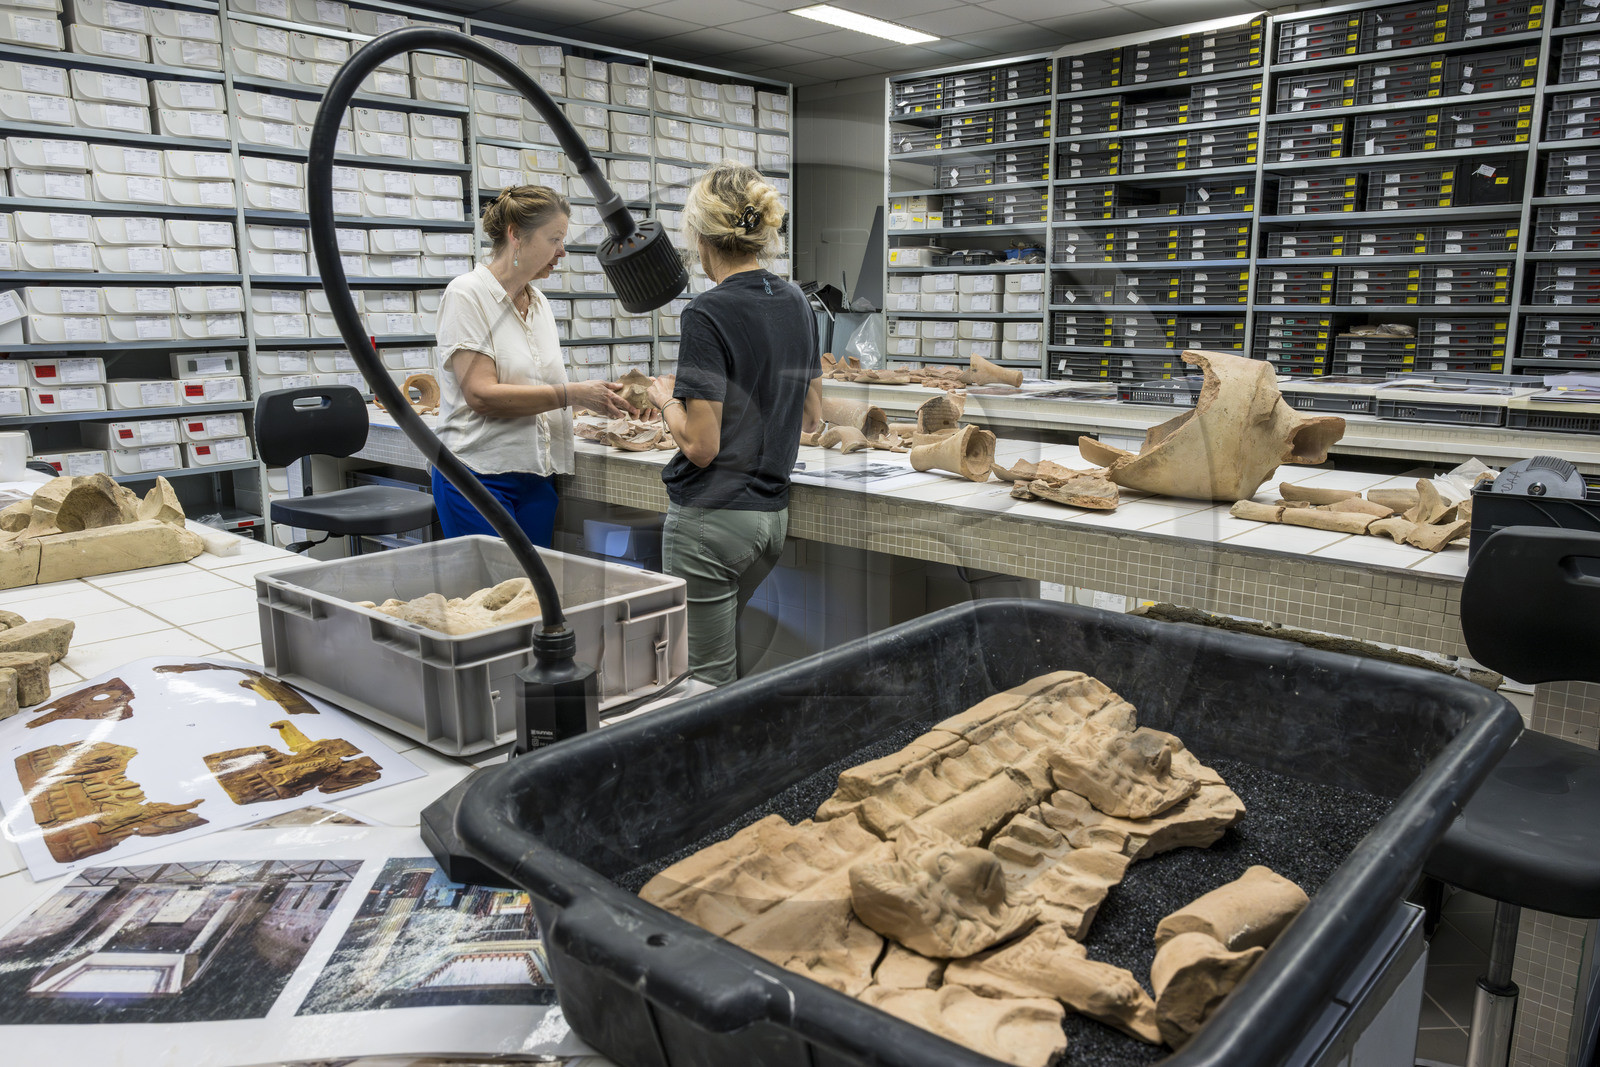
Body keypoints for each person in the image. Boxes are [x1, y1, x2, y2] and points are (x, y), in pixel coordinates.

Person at [647, 162, 824, 687]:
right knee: (724, 669)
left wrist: (666, 401)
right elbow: (813, 415)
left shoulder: (708, 312)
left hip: (712, 523)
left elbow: (702, 446)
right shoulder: (797, 301)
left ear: (701, 238)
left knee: (700, 682)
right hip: (769, 521)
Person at [432, 185, 633, 547]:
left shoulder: (538, 302)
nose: (562, 251)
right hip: (477, 476)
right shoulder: (467, 294)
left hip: (537, 478)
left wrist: (611, 401)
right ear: (516, 235)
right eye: (554, 239)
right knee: (494, 583)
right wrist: (572, 394)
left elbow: (540, 391)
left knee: (535, 584)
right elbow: (480, 395)